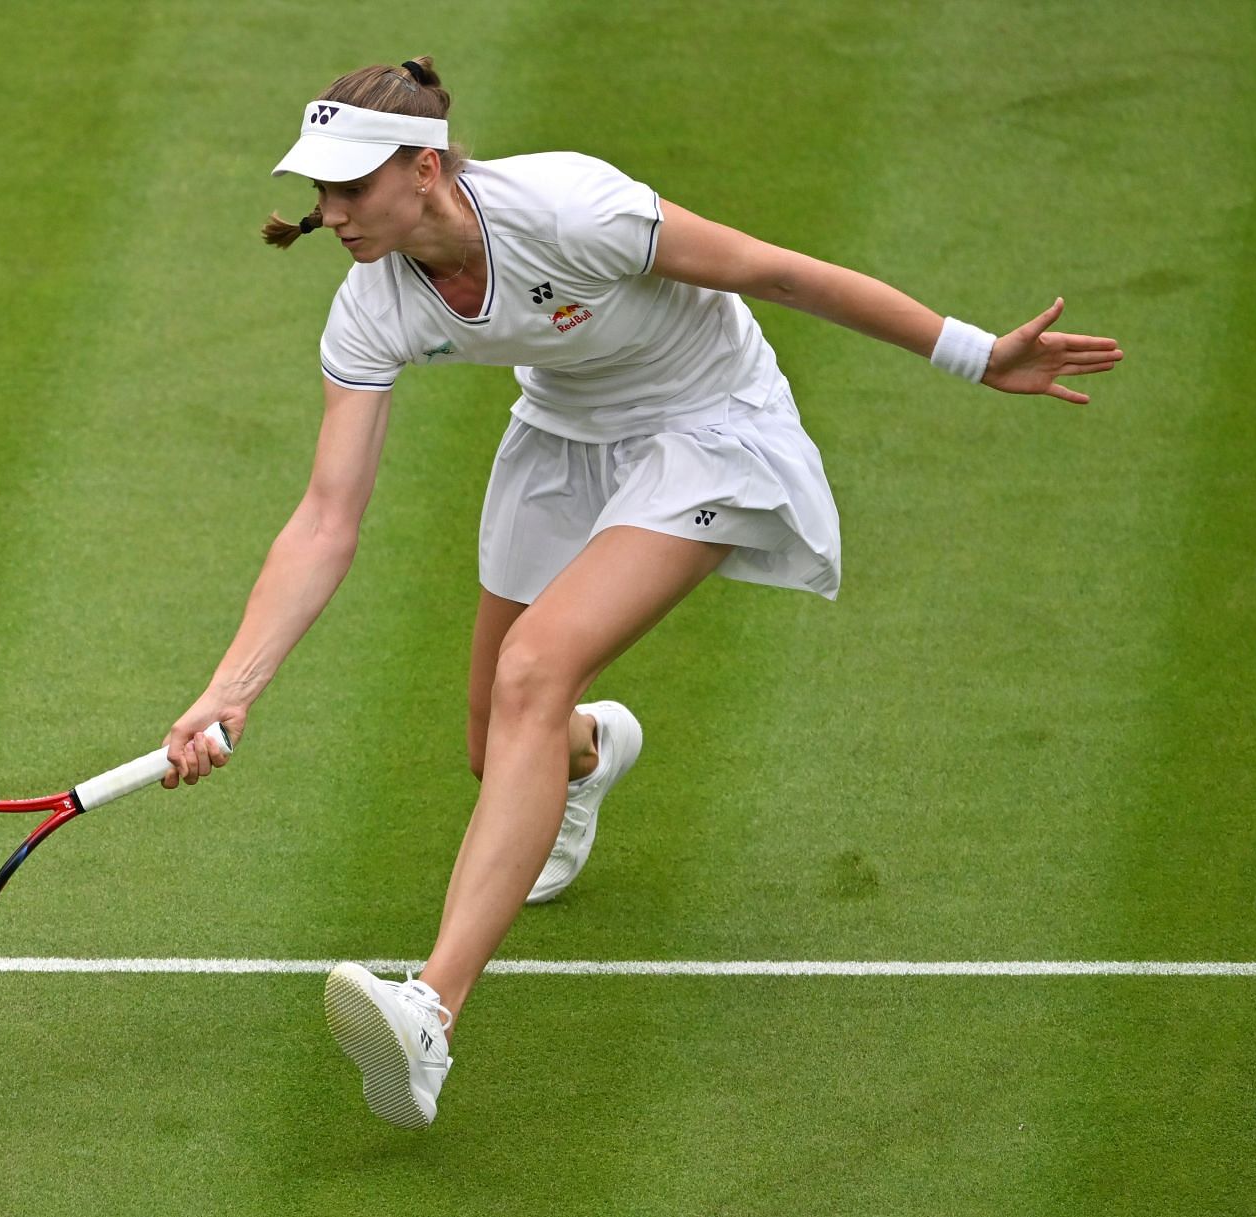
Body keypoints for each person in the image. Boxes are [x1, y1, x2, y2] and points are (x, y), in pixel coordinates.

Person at [157, 57, 1123, 1129]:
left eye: (351, 188)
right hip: (565, 436)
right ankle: (589, 750)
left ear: (424, 169)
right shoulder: (372, 304)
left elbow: (774, 271)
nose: (329, 213)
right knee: (501, 745)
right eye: (321, 189)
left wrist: (972, 352)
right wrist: (231, 686)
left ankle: (431, 1011)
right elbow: (327, 517)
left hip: (710, 429)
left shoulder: (574, 206)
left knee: (534, 665)